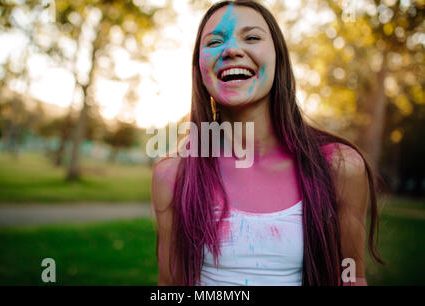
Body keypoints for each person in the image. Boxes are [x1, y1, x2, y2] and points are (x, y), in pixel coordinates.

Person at [152, 0, 384, 286]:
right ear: (199, 67)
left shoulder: (340, 166)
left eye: (252, 37)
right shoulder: (173, 174)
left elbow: (351, 278)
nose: (232, 50)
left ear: (278, 59)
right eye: (214, 41)